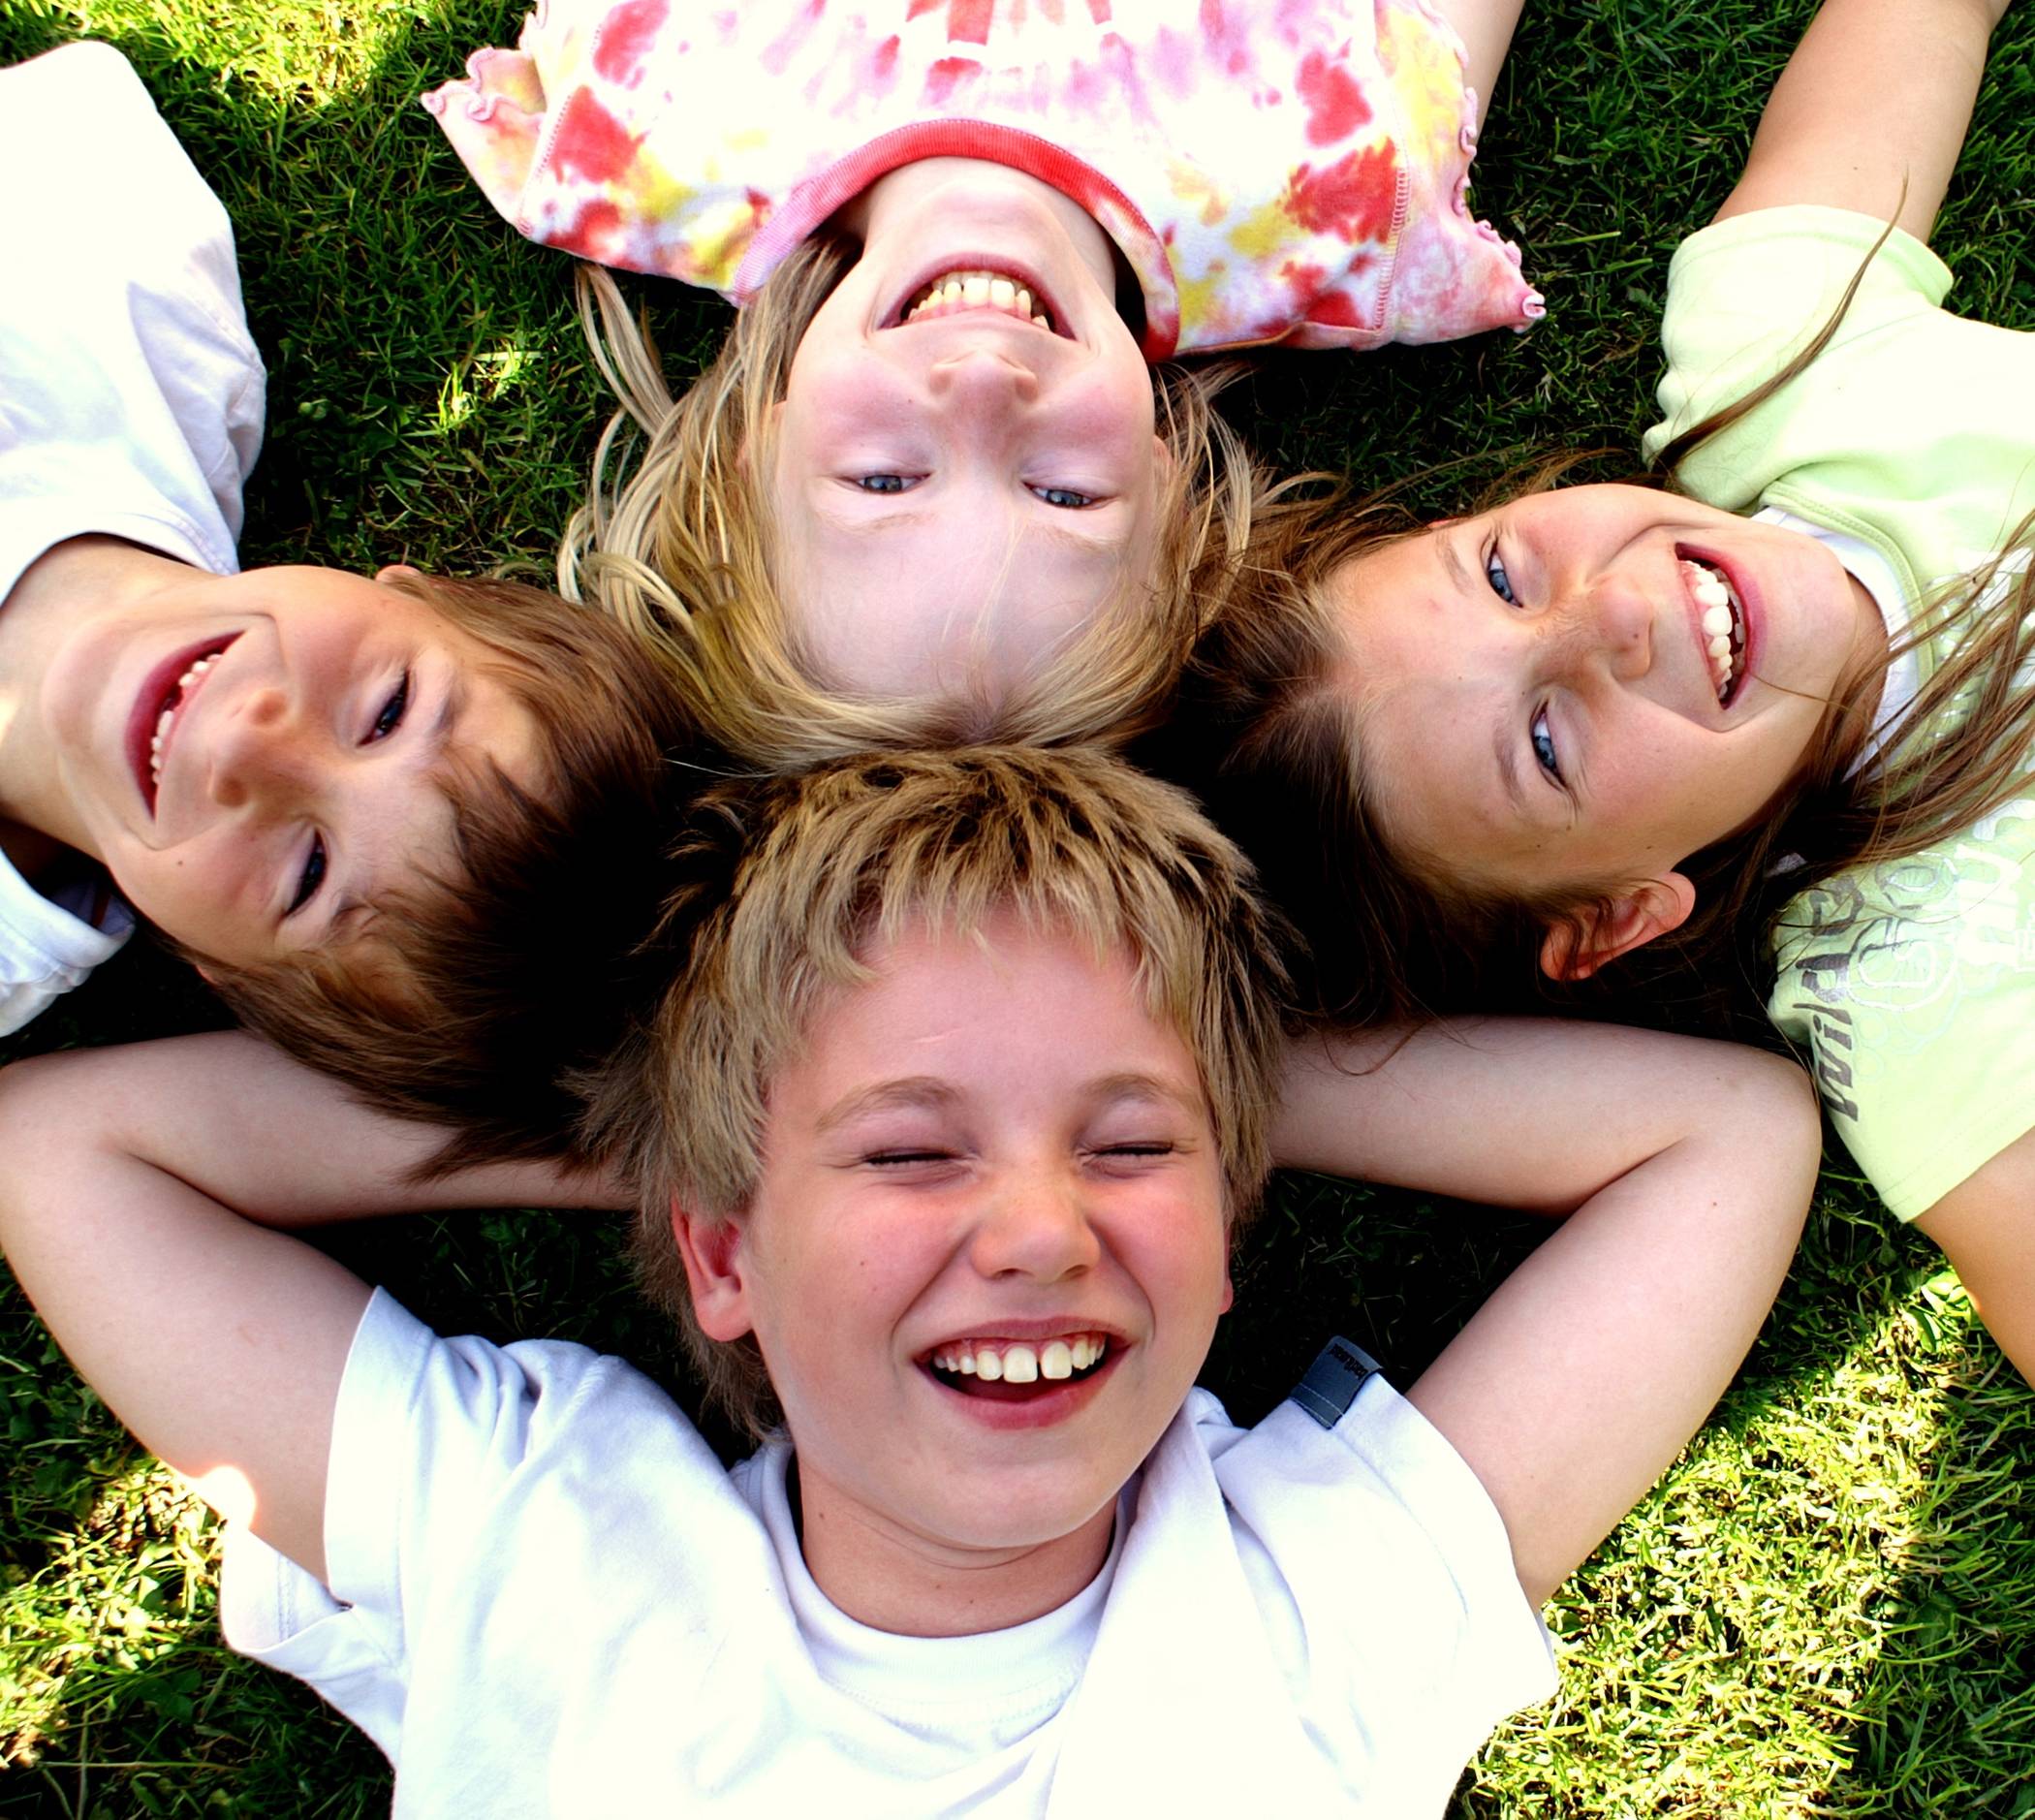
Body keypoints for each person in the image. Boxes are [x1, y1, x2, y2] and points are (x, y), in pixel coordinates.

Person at [0, 744, 1818, 1811]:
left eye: (1126, 1149)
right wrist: (685, 1130)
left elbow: (1723, 1140)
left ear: (1231, 1233)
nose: (1039, 1228)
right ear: (719, 1252)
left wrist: (1221, 1096)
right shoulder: (541, 1539)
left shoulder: (1316, 1603)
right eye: (907, 1152)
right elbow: (62, 1153)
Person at [1155, 0, 2035, 1365]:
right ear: (1618, 913)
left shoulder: (1775, 367)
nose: (1617, 613)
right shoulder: (1920, 994)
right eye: (1550, 743)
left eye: (1504, 574)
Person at [424, 0, 1544, 753]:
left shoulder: (641, 130)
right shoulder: (1340, 206)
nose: (981, 385)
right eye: (1064, 494)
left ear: (756, 451)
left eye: (883, 480)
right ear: (1165, 483)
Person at [0, 42, 710, 1170]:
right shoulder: (121, 282)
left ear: (219, 970)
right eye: (386, 711)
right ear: (420, 590)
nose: (253, 744)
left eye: (308, 877)